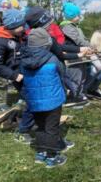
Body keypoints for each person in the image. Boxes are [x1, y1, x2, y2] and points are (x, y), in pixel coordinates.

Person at [21, 28, 70, 168]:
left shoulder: (24, 60)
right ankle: (52, 157)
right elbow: (62, 75)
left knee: (40, 126)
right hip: (53, 101)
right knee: (52, 128)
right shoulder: (53, 58)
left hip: (34, 101)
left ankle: (40, 153)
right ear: (46, 45)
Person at [0, 9, 35, 144]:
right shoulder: (0, 42)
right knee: (32, 101)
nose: (24, 27)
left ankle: (32, 120)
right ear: (12, 26)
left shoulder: (20, 36)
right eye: (21, 25)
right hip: (18, 76)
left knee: (34, 99)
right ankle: (22, 132)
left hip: (29, 74)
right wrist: (14, 76)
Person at [59, 2, 91, 105]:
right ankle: (73, 97)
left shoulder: (74, 26)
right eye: (77, 15)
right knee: (75, 76)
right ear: (71, 16)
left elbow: (83, 39)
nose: (79, 17)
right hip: (73, 56)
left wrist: (89, 46)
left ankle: (78, 94)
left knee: (82, 75)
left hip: (80, 55)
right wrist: (89, 46)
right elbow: (78, 41)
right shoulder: (67, 27)